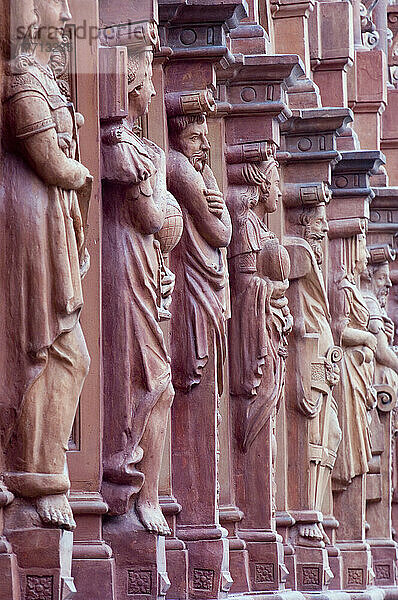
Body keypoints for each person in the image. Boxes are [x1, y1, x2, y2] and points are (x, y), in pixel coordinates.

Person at [0, 0, 91, 530]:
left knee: (63, 350)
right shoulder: (22, 84)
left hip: (43, 215)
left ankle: (40, 470)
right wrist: (81, 175)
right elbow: (50, 161)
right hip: (27, 218)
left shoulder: (37, 80)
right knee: (42, 343)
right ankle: (32, 472)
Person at [101, 36, 181, 535]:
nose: (152, 88)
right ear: (131, 80)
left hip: (146, 270)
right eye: (148, 75)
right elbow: (151, 215)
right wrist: (168, 211)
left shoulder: (145, 150)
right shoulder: (122, 149)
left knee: (158, 386)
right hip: (123, 267)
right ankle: (128, 485)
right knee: (149, 382)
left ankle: (143, 491)